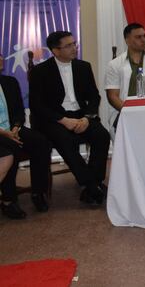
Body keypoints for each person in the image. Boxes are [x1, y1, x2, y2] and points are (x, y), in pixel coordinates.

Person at [29, 31, 110, 207]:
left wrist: (87, 118)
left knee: (102, 136)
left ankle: (94, 182)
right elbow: (37, 105)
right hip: (54, 119)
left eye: (74, 44)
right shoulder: (40, 71)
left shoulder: (83, 67)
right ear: (55, 51)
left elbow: (94, 97)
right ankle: (91, 185)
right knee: (65, 140)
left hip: (81, 115)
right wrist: (63, 120)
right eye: (69, 45)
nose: (74, 48)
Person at [1, 54, 53, 219]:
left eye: (0, 56)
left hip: (12, 129)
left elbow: (18, 112)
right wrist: (6, 133)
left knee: (41, 142)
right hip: (1, 133)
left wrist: (15, 127)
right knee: (12, 148)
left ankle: (38, 192)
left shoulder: (10, 82)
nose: (1, 59)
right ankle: (8, 200)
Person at [104, 23, 145, 131]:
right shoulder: (114, 64)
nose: (143, 40)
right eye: (138, 37)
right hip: (124, 113)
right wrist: (130, 112)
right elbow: (112, 96)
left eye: (144, 36)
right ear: (127, 40)